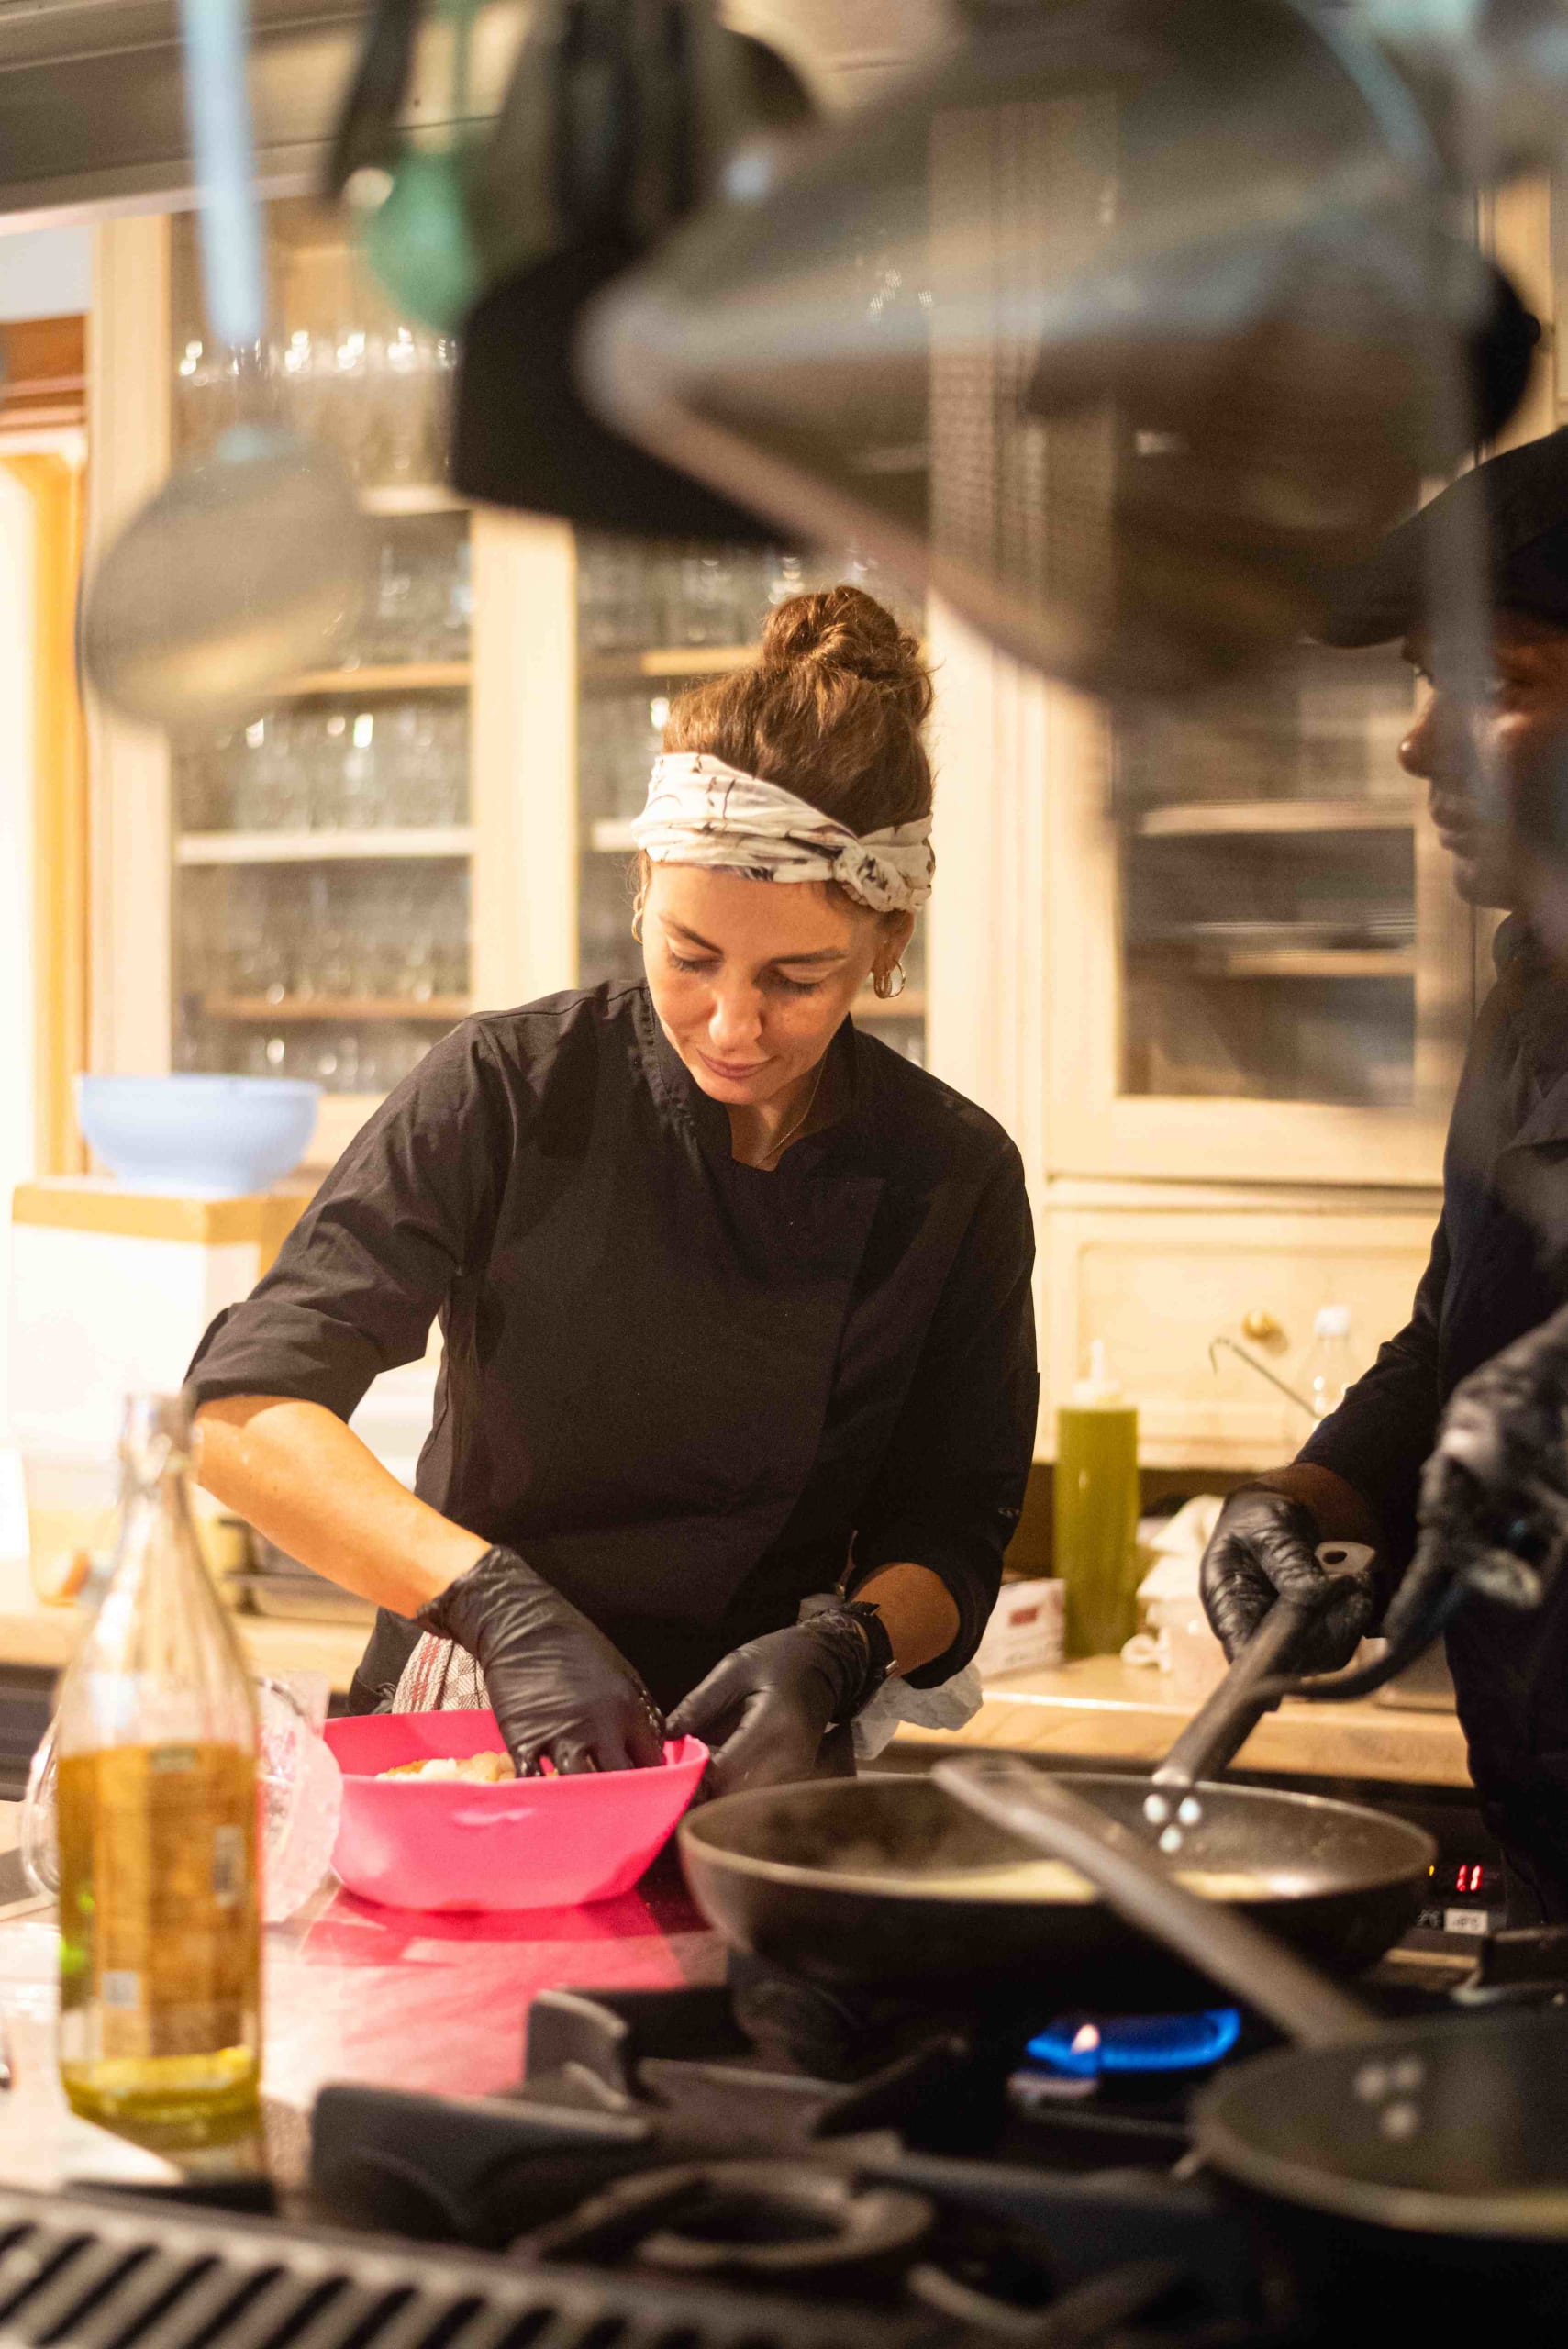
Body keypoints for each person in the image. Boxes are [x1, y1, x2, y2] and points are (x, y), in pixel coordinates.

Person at [187, 587, 1039, 1795]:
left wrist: (846, 1649)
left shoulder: (948, 1174)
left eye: (798, 978)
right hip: (472, 1729)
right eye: (689, 956)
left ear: (888, 943)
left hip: (758, 1757)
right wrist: (494, 1605)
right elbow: (240, 1417)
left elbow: (951, 1534)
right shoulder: (510, 1089)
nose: (732, 1024)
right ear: (643, 882)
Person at [1198, 429, 1568, 1922]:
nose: (1420, 740)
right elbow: (1457, 1330)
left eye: (1495, 683)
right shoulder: (1530, 997)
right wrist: (1303, 1495)